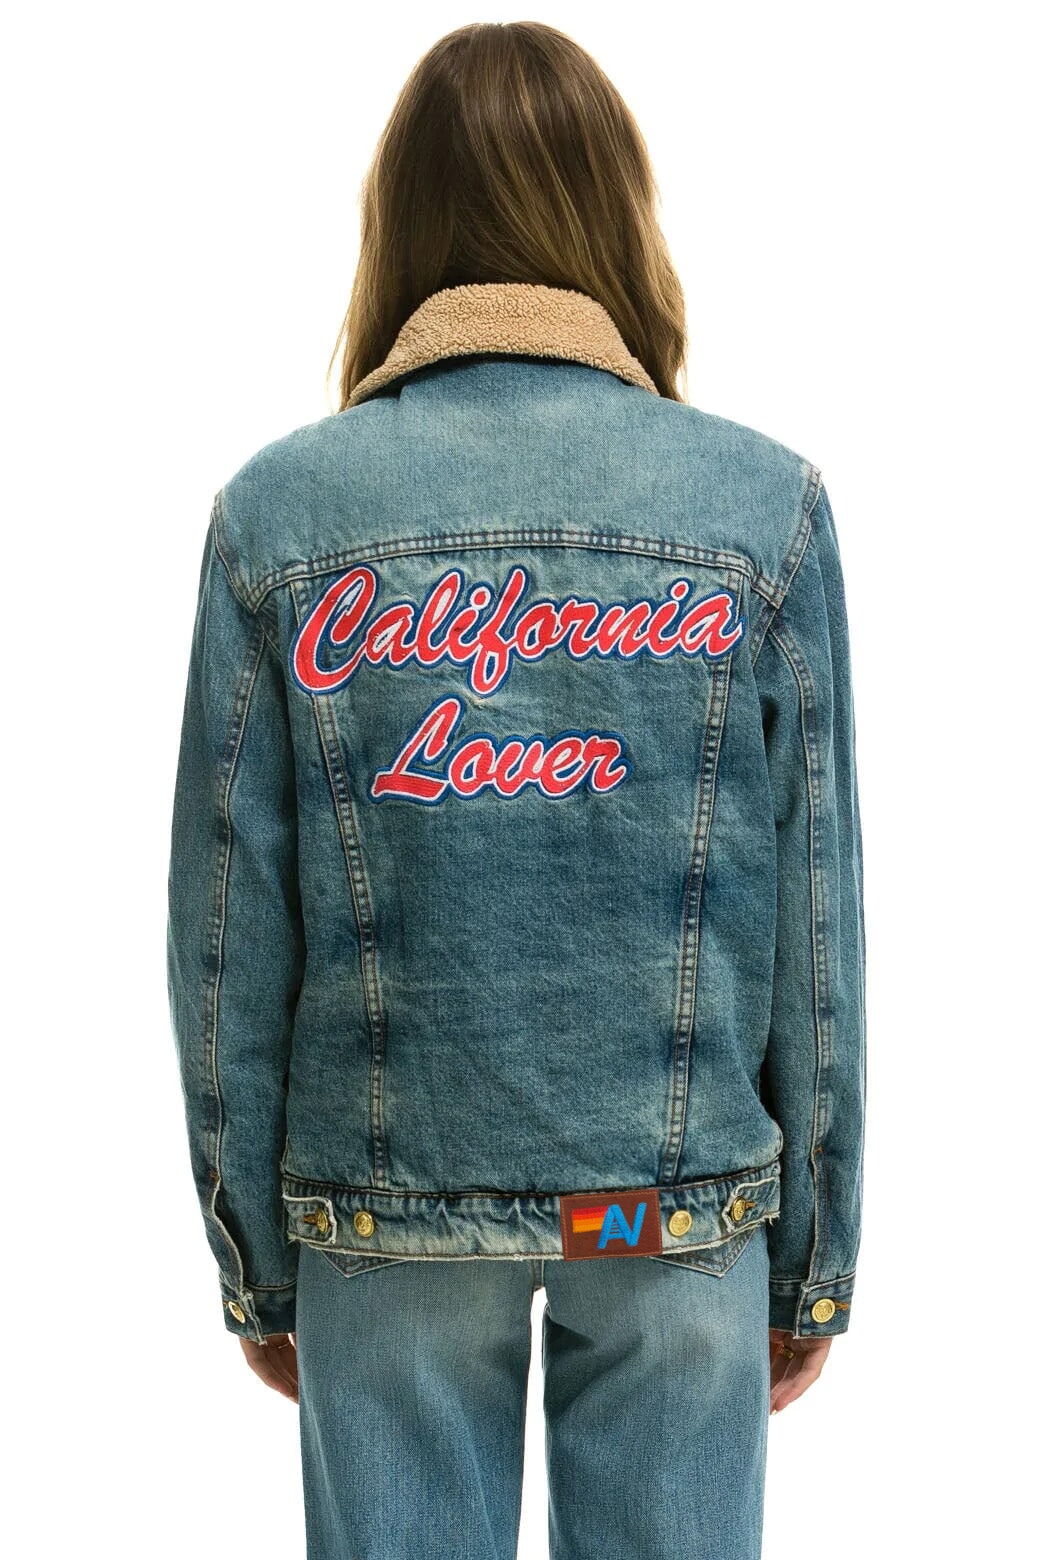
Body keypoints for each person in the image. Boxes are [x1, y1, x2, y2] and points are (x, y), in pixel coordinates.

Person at [165, 20, 867, 1560]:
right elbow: (816, 929)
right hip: (672, 1212)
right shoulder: (761, 513)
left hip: (382, 1216)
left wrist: (260, 1263)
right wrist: (812, 1258)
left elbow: (226, 941)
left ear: (399, 227)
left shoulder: (279, 521)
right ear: (620, 221)